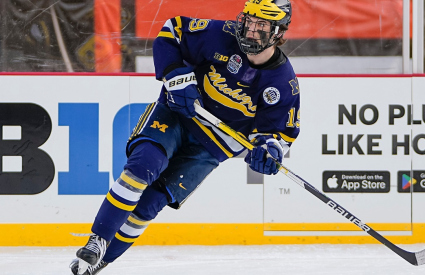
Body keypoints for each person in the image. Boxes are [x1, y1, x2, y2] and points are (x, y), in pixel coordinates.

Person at [69, 0, 300, 274]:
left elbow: (278, 134)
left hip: (211, 147)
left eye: (261, 25)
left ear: (279, 31)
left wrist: (269, 151)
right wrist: (176, 76)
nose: (251, 30)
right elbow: (172, 31)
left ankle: (99, 263)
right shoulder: (221, 35)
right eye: (249, 21)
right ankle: (98, 241)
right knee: (141, 168)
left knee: (150, 204)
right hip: (177, 115)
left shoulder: (283, 84)